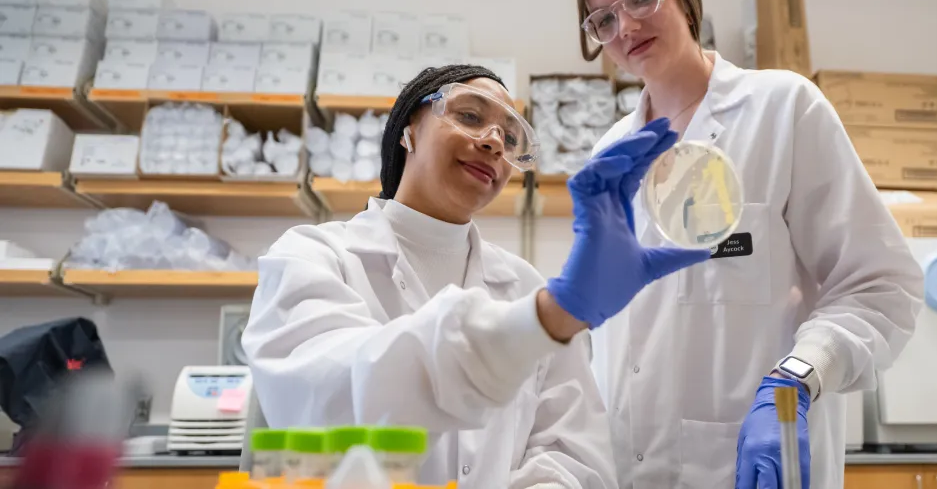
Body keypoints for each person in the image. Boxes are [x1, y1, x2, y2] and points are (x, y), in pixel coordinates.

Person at [242, 64, 708, 488]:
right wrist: (545, 319)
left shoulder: (525, 285)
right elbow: (330, 397)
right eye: (469, 116)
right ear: (408, 130)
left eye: (510, 137)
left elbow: (573, 456)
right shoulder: (313, 257)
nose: (493, 142)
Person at [575, 0, 926, 488]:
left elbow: (879, 285)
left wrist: (798, 378)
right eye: (604, 18)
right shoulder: (608, 154)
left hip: (754, 464)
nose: (626, 27)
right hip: (625, 468)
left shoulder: (783, 109)